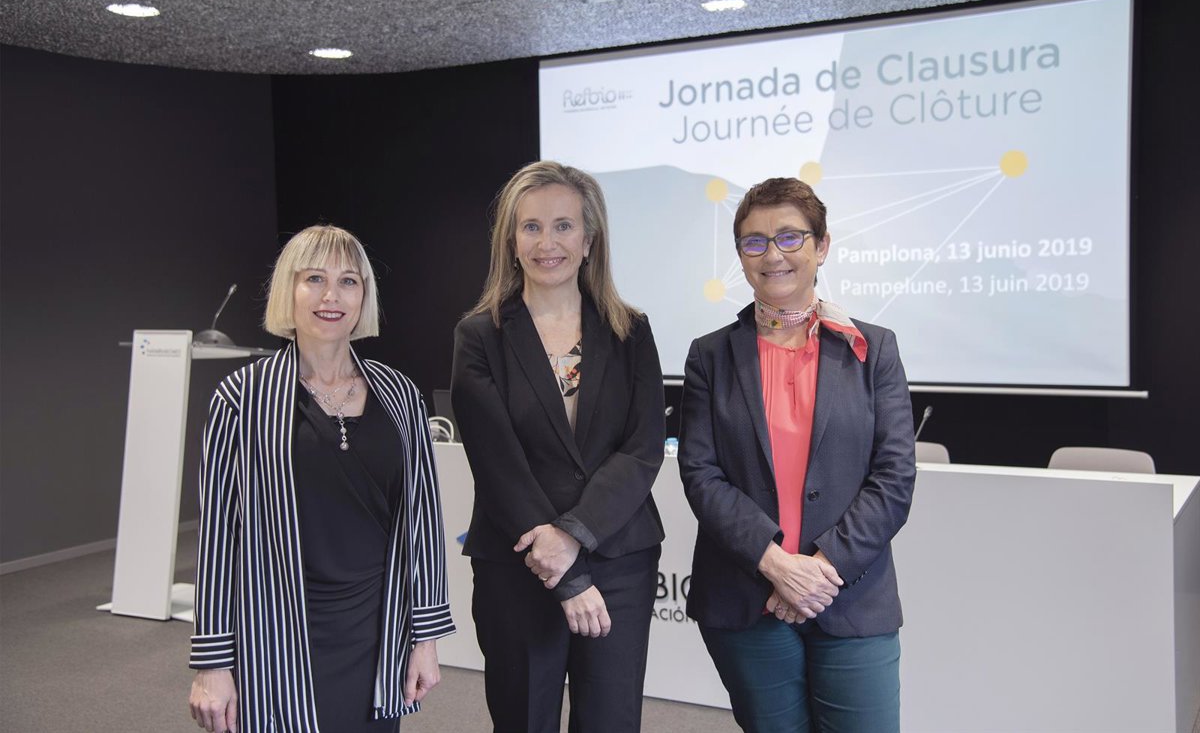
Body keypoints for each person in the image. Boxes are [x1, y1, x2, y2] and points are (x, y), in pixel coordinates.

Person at [187, 225, 455, 733]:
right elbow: (218, 537)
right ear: (288, 290)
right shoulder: (241, 398)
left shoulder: (399, 394)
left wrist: (425, 638)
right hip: (275, 633)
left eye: (348, 281)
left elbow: (423, 520)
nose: (332, 295)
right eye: (314, 278)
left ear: (363, 296)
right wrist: (213, 662)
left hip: (377, 629)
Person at [678, 178, 916, 732]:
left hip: (851, 595)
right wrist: (777, 566)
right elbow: (701, 474)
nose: (773, 255)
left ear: (822, 246)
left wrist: (819, 571)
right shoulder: (710, 356)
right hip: (747, 594)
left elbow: (894, 475)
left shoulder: (873, 349)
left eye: (790, 237)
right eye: (754, 242)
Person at [451, 161, 666, 732]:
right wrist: (559, 564)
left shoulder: (630, 331)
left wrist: (573, 536)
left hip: (617, 557)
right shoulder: (479, 336)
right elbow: (496, 463)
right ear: (511, 242)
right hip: (518, 561)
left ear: (589, 240)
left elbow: (642, 449)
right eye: (532, 227)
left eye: (564, 226)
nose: (548, 243)